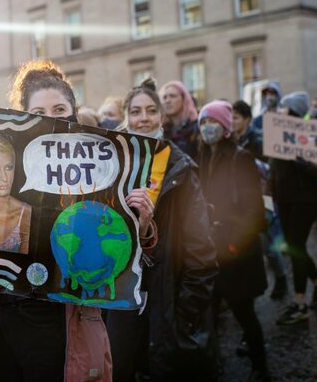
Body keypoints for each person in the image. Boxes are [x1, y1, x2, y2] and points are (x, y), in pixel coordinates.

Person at [0, 60, 151, 381]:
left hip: (59, 321)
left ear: (74, 111)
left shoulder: (98, 167)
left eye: (59, 110)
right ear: (22, 116)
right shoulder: (3, 161)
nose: (51, 119)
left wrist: (142, 222)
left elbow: (122, 246)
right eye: (39, 113)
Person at [106, 79, 218, 381]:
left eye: (151, 110)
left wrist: (182, 315)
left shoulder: (180, 170)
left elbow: (203, 254)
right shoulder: (108, 165)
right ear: (126, 117)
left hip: (165, 300)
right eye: (137, 111)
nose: (144, 118)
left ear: (161, 117)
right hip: (119, 298)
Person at [197, 100, 270, 381]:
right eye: (203, 122)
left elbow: (254, 209)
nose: (207, 128)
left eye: (212, 121)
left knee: (244, 313)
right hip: (211, 248)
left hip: (236, 251)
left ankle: (261, 367)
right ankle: (210, 365)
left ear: (225, 126)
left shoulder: (241, 158)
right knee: (209, 313)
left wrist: (236, 244)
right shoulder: (203, 155)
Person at [271, 92, 317, 325]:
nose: (279, 112)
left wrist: (304, 164)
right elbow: (273, 168)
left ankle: (300, 304)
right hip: (284, 199)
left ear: (294, 112)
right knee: (296, 247)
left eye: (284, 109)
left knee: (296, 247)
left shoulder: (310, 133)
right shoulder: (277, 133)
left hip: (305, 200)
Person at [232, 100, 288, 300]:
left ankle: (281, 278)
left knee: (268, 241)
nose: (232, 121)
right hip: (243, 198)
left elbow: (269, 170)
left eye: (236, 118)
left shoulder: (257, 140)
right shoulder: (232, 140)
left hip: (264, 197)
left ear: (247, 119)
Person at [159, 80, 201, 158]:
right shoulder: (160, 131)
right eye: (164, 97)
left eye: (172, 96)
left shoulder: (197, 127)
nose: (167, 101)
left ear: (184, 98)